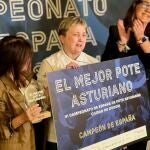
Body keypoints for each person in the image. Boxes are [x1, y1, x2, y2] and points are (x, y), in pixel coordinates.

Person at [37, 16, 99, 150]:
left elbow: (102, 101)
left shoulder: (94, 63)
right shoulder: (49, 64)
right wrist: (63, 77)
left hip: (90, 133)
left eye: (84, 34)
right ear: (62, 38)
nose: (81, 39)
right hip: (60, 137)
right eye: (76, 34)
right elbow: (43, 103)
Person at [101, 0, 150, 149]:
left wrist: (141, 39)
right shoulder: (117, 31)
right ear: (135, 6)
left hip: (144, 105)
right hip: (121, 104)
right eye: (146, 5)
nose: (149, 9)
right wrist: (122, 43)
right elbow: (106, 67)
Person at [0, 35, 42, 150]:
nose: (29, 60)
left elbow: (42, 92)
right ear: (12, 59)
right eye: (25, 57)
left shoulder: (24, 76)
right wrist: (23, 118)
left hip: (30, 142)